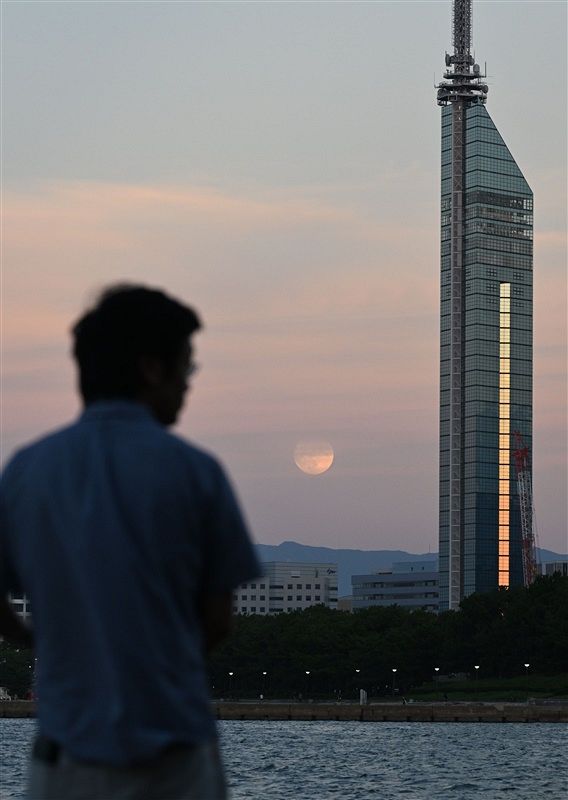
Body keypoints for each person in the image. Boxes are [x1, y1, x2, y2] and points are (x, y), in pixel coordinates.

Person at [0, 284, 261, 799]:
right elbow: (218, 620)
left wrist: (41, 639)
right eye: (187, 367)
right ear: (151, 368)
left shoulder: (27, 471)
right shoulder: (196, 472)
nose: (189, 384)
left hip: (64, 759)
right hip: (175, 758)